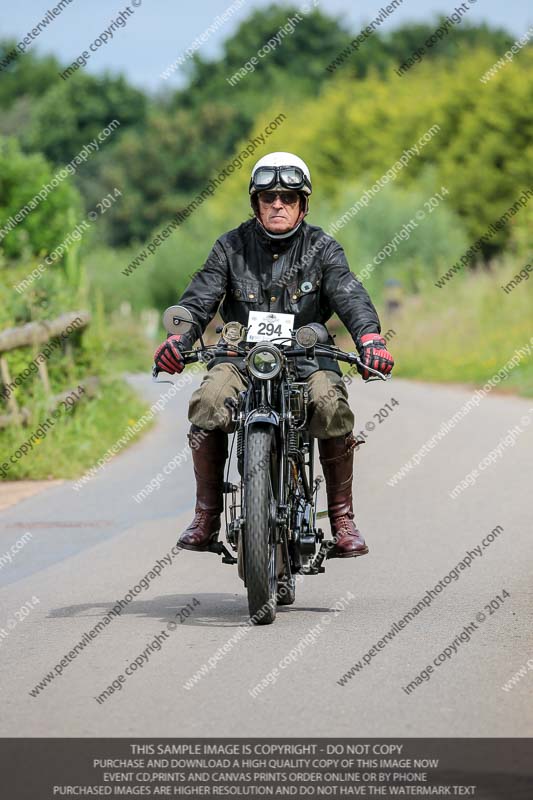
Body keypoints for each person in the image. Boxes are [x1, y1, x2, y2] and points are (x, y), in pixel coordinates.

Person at [154, 152, 394, 559]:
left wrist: (370, 339)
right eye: (268, 197)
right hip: (240, 357)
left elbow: (349, 294)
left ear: (303, 204)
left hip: (306, 359)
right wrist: (179, 339)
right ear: (256, 203)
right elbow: (200, 298)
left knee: (329, 403)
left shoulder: (323, 248)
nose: (277, 204)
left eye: (287, 197)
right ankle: (207, 516)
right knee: (208, 401)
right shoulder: (230, 247)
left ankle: (341, 519)